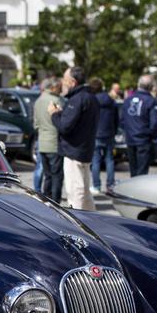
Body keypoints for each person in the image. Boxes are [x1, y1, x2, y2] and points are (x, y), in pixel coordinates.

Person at [49, 66, 98, 210]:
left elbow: (65, 126)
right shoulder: (91, 98)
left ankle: (76, 226)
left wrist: (54, 114)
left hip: (74, 152)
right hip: (85, 150)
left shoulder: (77, 99)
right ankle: (93, 221)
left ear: (72, 82)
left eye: (64, 79)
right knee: (84, 192)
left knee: (75, 193)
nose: (62, 83)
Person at [120, 74, 157, 177]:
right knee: (142, 173)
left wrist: (129, 132)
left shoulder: (128, 100)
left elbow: (122, 120)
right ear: (151, 87)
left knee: (133, 172)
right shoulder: (151, 101)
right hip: (143, 140)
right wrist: (152, 135)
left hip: (130, 140)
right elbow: (155, 123)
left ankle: (131, 191)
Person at [32, 77, 64, 201]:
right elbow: (62, 123)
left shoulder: (38, 100)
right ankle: (56, 202)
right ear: (53, 87)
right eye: (60, 88)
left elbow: (35, 124)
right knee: (57, 176)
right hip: (54, 142)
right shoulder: (57, 101)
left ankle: (46, 200)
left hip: (42, 142)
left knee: (48, 175)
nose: (61, 90)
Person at [90, 77, 118, 194]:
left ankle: (96, 186)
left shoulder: (92, 101)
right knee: (109, 160)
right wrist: (114, 131)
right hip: (109, 134)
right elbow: (116, 119)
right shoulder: (111, 101)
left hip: (95, 134)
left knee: (95, 161)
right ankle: (110, 185)